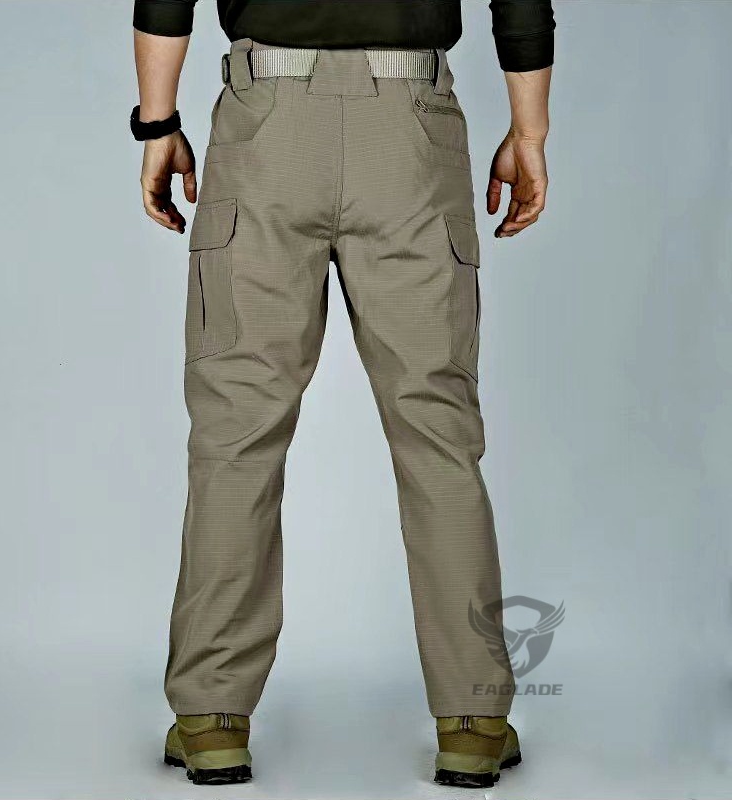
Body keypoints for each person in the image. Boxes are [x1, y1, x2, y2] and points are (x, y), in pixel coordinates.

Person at [131, 0, 554, 788]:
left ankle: (212, 717)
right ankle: (472, 722)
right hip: (411, 129)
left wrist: (157, 124)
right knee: (437, 433)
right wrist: (529, 132)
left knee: (236, 430)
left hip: (266, 125)